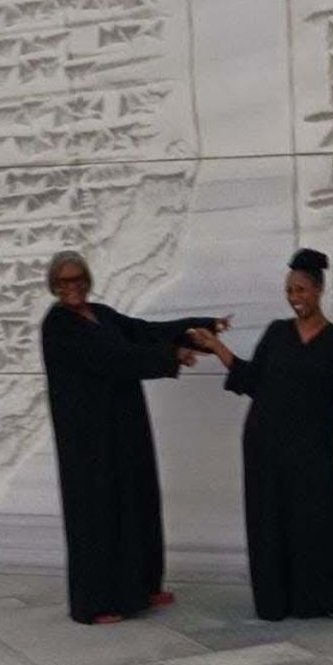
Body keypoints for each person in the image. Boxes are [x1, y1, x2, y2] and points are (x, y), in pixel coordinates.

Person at [189, 249, 333, 621]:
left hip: (311, 448)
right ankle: (277, 600)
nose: (294, 297)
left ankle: (320, 598)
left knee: (318, 519)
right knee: (270, 519)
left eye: (301, 290)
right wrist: (215, 346)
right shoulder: (276, 333)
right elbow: (252, 379)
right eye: (289, 290)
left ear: (319, 289)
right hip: (265, 443)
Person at [41, 251, 227, 626]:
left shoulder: (103, 315)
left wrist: (201, 330)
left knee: (137, 498)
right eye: (64, 282)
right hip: (89, 438)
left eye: (78, 279)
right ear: (54, 287)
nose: (72, 287)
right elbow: (112, 356)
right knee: (99, 511)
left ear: (87, 280)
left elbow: (142, 331)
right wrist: (171, 356)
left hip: (124, 422)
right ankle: (94, 604)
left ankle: (141, 587)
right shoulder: (58, 326)